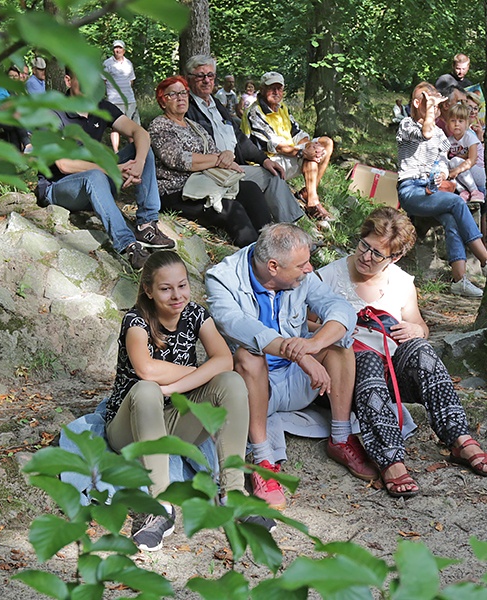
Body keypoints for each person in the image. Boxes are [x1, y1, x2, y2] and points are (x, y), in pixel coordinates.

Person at [317, 208, 487, 498]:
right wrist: (336, 329)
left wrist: (416, 331)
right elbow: (305, 324)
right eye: (365, 246)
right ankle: (390, 458)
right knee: (364, 361)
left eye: (378, 254)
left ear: (395, 258)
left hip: (393, 369)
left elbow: (420, 326)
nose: (366, 257)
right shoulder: (327, 277)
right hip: (349, 374)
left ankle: (458, 437)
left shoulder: (401, 281)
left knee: (421, 350)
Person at [205, 223, 375, 510]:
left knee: (340, 344)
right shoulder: (222, 279)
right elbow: (239, 326)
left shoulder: (300, 276)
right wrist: (299, 354)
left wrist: (315, 344)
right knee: (249, 355)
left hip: (298, 380)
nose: (309, 269)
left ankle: (341, 437)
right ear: (273, 266)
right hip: (253, 390)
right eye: (302, 264)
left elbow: (341, 308)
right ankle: (263, 460)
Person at [103, 250, 251, 551]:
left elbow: (224, 361)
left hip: (175, 422)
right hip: (131, 425)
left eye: (182, 285)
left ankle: (233, 492)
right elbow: (146, 369)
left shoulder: (196, 314)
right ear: (148, 290)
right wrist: (197, 373)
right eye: (165, 288)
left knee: (231, 382)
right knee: (147, 389)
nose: (176, 295)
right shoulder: (136, 321)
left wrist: (178, 386)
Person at [36, 69, 174, 270]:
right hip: (58, 186)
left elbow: (139, 132)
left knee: (142, 150)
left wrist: (139, 163)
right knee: (94, 176)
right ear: (68, 80)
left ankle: (146, 225)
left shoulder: (101, 107)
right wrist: (112, 169)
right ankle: (128, 245)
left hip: (96, 179)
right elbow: (64, 164)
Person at [149, 76, 273, 247]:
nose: (181, 98)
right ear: (163, 102)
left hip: (207, 183)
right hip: (178, 192)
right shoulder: (160, 125)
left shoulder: (194, 126)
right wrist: (217, 159)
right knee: (232, 209)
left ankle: (271, 243)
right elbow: (180, 160)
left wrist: (228, 155)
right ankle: (254, 257)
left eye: (184, 93)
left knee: (250, 189)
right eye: (173, 94)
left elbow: (217, 153)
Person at [184, 56, 303, 225]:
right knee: (262, 185)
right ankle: (284, 234)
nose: (206, 80)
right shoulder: (186, 108)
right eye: (200, 76)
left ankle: (292, 230)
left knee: (273, 173)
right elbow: (190, 149)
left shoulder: (216, 104)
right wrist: (219, 160)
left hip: (234, 167)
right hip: (211, 171)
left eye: (210, 75)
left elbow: (238, 138)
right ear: (189, 78)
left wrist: (264, 160)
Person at [396, 82, 487, 298]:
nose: (435, 106)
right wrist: (429, 108)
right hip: (411, 191)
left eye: (436, 103)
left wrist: (449, 171)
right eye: (428, 102)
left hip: (432, 191)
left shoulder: (439, 132)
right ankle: (486, 258)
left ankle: (460, 281)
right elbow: (426, 133)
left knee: (451, 219)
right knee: (457, 203)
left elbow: (450, 155)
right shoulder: (407, 125)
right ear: (417, 103)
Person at [242, 71, 335, 224]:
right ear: (262, 89)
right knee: (309, 158)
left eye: (279, 88)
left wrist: (310, 145)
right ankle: (313, 203)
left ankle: (308, 192)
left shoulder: (282, 108)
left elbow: (296, 132)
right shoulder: (255, 112)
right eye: (272, 88)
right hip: (265, 161)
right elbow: (274, 145)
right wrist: (304, 151)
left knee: (327, 143)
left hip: (286, 154)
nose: (276, 92)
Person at [444, 103, 485, 202]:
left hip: (478, 172)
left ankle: (476, 192)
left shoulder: (469, 137)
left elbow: (472, 160)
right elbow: (444, 159)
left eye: (460, 121)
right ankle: (463, 191)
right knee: (447, 165)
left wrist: (456, 170)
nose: (456, 124)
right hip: (463, 175)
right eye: (453, 121)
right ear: (448, 123)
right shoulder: (448, 141)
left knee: (454, 161)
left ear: (466, 123)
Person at [103, 40, 139, 153]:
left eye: (119, 48)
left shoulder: (128, 63)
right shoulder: (107, 63)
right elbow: (103, 80)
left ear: (124, 50)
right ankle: (116, 152)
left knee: (132, 125)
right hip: (114, 100)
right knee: (116, 127)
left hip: (129, 99)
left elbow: (131, 80)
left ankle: (133, 149)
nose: (117, 50)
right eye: (115, 48)